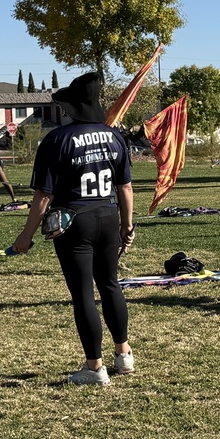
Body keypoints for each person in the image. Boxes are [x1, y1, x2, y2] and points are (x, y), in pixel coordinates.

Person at [10, 72, 136, 386]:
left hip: (74, 221)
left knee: (83, 294)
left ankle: (94, 367)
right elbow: (126, 187)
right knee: (110, 285)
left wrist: (26, 235)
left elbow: (44, 195)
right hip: (107, 215)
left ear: (72, 108)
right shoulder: (113, 136)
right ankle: (124, 354)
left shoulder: (58, 139)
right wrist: (127, 224)